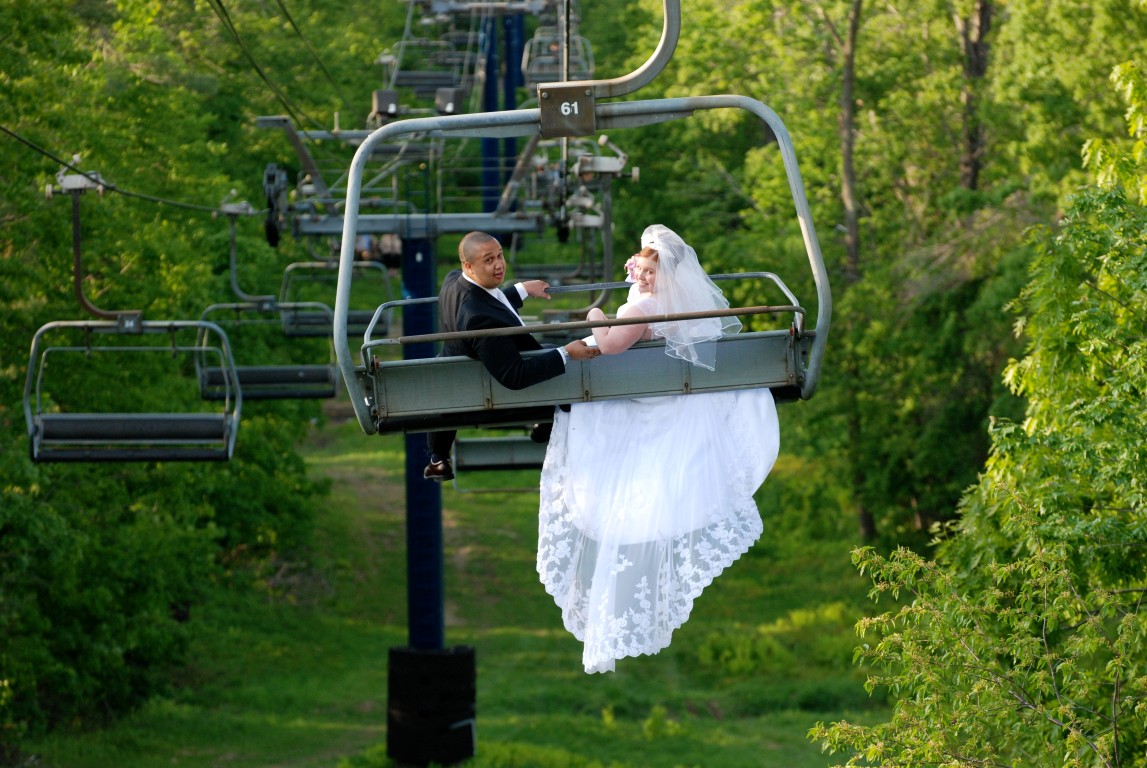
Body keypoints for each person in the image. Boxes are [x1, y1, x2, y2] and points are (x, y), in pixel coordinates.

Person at [536, 224, 781, 673]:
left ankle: (548, 409)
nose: (644, 277)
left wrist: (595, 313)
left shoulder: (647, 305)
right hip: (656, 378)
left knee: (582, 402)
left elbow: (611, 345)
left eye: (651, 271)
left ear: (665, 274)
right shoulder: (666, 300)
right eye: (642, 270)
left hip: (639, 384)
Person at [424, 231, 600, 481]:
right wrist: (567, 353)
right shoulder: (478, 319)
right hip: (486, 388)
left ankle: (438, 457)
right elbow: (515, 376)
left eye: (500, 256)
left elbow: (490, 303)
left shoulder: (454, 280)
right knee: (566, 370)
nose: (499, 264)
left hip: (453, 374)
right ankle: (548, 423)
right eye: (488, 260)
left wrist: (521, 290)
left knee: (548, 349)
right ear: (469, 266)